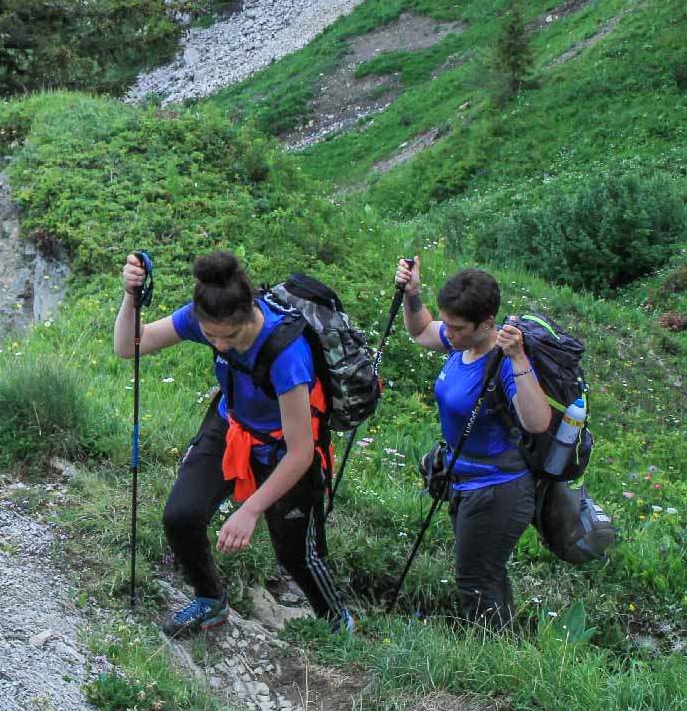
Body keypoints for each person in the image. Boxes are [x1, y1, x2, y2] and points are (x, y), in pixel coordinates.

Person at [114, 249, 352, 639]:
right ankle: (210, 601)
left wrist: (250, 509)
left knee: (295, 554)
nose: (220, 346)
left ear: (249, 314)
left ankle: (338, 624)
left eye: (230, 337)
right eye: (210, 337)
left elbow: (301, 452)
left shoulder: (286, 354)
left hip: (280, 448)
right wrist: (130, 295)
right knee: (181, 516)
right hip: (230, 426)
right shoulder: (204, 317)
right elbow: (129, 346)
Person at [395, 256, 553, 628]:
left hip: (498, 489)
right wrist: (412, 293)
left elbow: (537, 421)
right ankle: (506, 643)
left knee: (475, 580)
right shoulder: (460, 344)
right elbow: (419, 331)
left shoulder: (503, 362)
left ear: (486, 324)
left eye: (456, 327)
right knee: (487, 573)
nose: (447, 333)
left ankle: (490, 659)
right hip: (465, 481)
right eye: (446, 323)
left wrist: (517, 357)